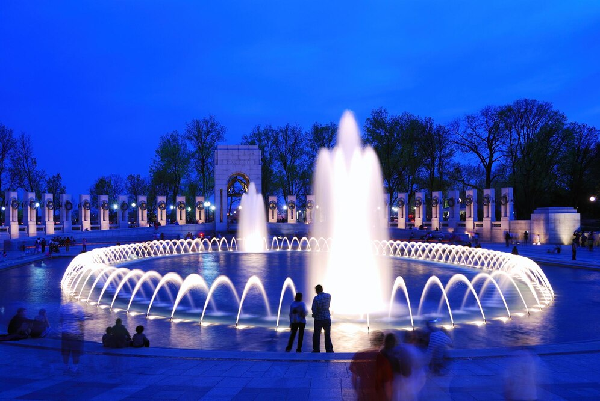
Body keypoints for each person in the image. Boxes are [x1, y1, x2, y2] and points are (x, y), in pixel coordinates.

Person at [350, 331, 392, 401]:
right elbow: (388, 385)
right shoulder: (383, 360)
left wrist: (358, 392)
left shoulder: (359, 355)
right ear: (382, 343)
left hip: (363, 396)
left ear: (371, 341)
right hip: (378, 397)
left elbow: (354, 378)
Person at [60, 301, 85, 374]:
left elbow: (61, 320)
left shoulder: (63, 307)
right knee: (76, 352)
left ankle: (65, 366)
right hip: (75, 334)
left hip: (65, 333)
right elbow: (81, 323)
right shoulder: (79, 308)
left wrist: (64, 328)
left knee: (65, 351)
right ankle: (75, 368)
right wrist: (82, 333)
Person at [311, 284, 333, 353]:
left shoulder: (316, 298)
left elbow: (314, 309)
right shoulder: (328, 296)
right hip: (327, 317)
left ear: (317, 290)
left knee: (317, 334)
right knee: (327, 334)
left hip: (318, 319)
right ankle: (329, 349)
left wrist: (314, 314)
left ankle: (316, 349)